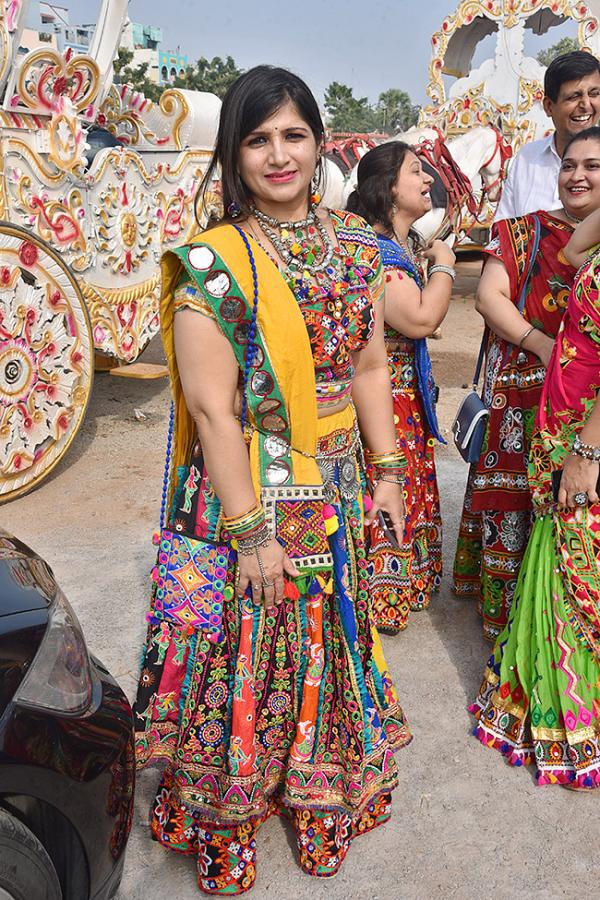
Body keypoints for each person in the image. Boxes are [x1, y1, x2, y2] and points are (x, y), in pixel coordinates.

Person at [133, 66, 411, 894]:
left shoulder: (359, 247)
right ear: (234, 154)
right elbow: (215, 413)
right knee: (244, 641)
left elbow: (367, 365)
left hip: (333, 481)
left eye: (294, 135)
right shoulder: (213, 264)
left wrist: (388, 472)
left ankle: (316, 780)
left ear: (321, 143)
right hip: (246, 485)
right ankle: (226, 804)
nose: (279, 155)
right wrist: (251, 531)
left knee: (326, 633)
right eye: (258, 140)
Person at [470, 196, 600, 790]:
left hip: (587, 442)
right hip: (564, 428)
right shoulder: (583, 248)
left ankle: (571, 715)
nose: (578, 178)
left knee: (573, 574)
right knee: (554, 559)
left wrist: (587, 452)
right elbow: (572, 251)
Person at [454, 127, 600, 640]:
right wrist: (542, 345)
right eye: (568, 166)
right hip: (522, 392)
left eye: (592, 167)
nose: (576, 175)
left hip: (587, 403)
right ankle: (507, 616)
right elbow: (490, 298)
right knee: (513, 499)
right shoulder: (521, 231)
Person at [346, 142, 454, 633]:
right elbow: (420, 319)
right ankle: (384, 593)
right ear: (389, 187)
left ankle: (399, 586)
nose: (428, 179)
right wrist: (448, 264)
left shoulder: (399, 247)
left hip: (403, 394)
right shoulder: (378, 251)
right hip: (386, 398)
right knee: (388, 481)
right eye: (417, 172)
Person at [495, 50, 600, 221]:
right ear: (549, 106)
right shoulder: (527, 158)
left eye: (594, 94)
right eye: (574, 96)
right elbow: (503, 230)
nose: (586, 105)